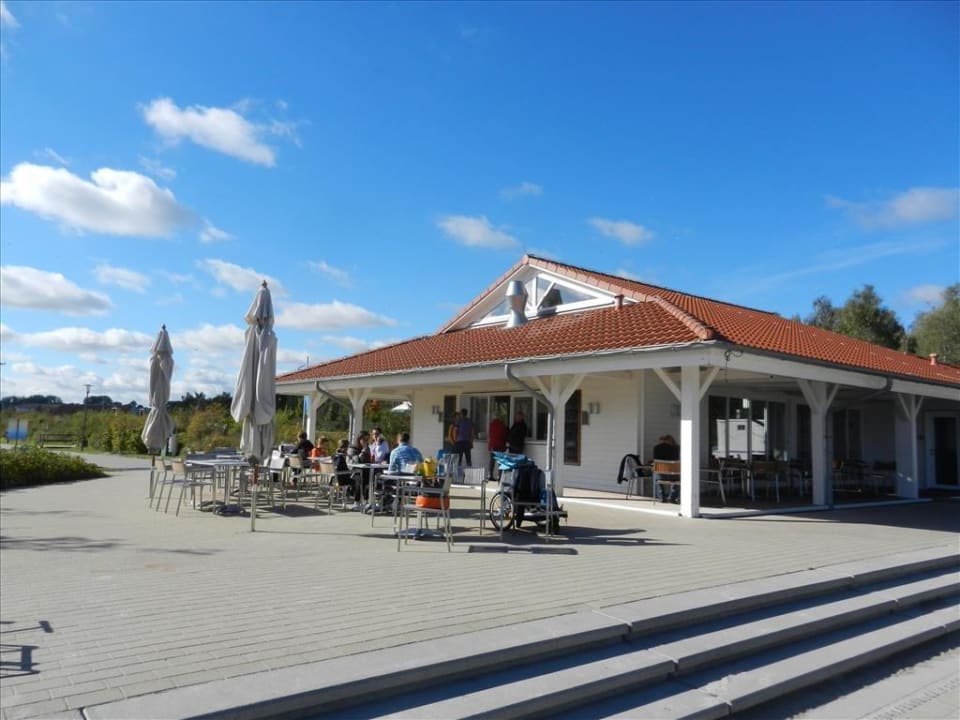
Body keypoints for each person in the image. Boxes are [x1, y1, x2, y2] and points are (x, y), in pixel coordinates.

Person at [653, 434, 680, 502]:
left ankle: (661, 496)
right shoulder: (676, 448)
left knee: (655, 475)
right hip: (673, 475)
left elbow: (655, 459)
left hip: (661, 475)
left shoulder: (657, 448)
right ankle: (673, 497)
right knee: (677, 477)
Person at [488, 413, 508, 480]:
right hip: (500, 445)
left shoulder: (491, 425)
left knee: (492, 461)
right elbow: (504, 435)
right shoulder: (502, 425)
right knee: (500, 461)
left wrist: (489, 446)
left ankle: (490, 475)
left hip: (493, 445)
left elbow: (490, 436)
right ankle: (499, 476)